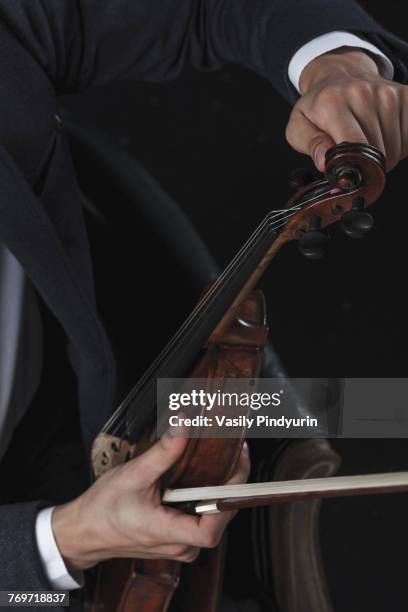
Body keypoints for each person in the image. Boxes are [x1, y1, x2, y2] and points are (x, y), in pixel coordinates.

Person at [0, 0, 408, 605]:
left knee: (376, 412)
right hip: (34, 559)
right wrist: (57, 543)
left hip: (94, 389)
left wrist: (334, 65)